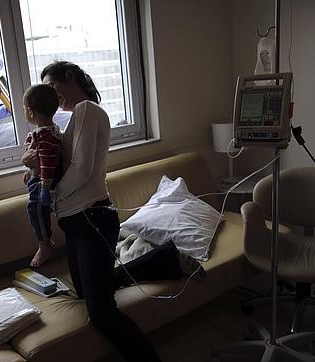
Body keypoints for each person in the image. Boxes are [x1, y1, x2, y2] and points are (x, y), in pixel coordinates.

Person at [23, 61, 195, 362]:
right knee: (83, 290)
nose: (51, 94)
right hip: (76, 222)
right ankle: (167, 258)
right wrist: (35, 165)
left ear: (70, 78)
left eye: (52, 86)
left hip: (92, 219)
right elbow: (59, 165)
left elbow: (81, 170)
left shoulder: (88, 110)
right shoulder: (71, 120)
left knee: (101, 312)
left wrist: (50, 195)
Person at [21, 84, 62, 267]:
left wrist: (44, 188)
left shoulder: (45, 136)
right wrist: (29, 172)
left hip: (42, 183)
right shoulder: (50, 131)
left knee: (35, 210)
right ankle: (45, 241)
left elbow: (47, 163)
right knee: (37, 211)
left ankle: (44, 244)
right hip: (37, 179)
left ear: (30, 111)